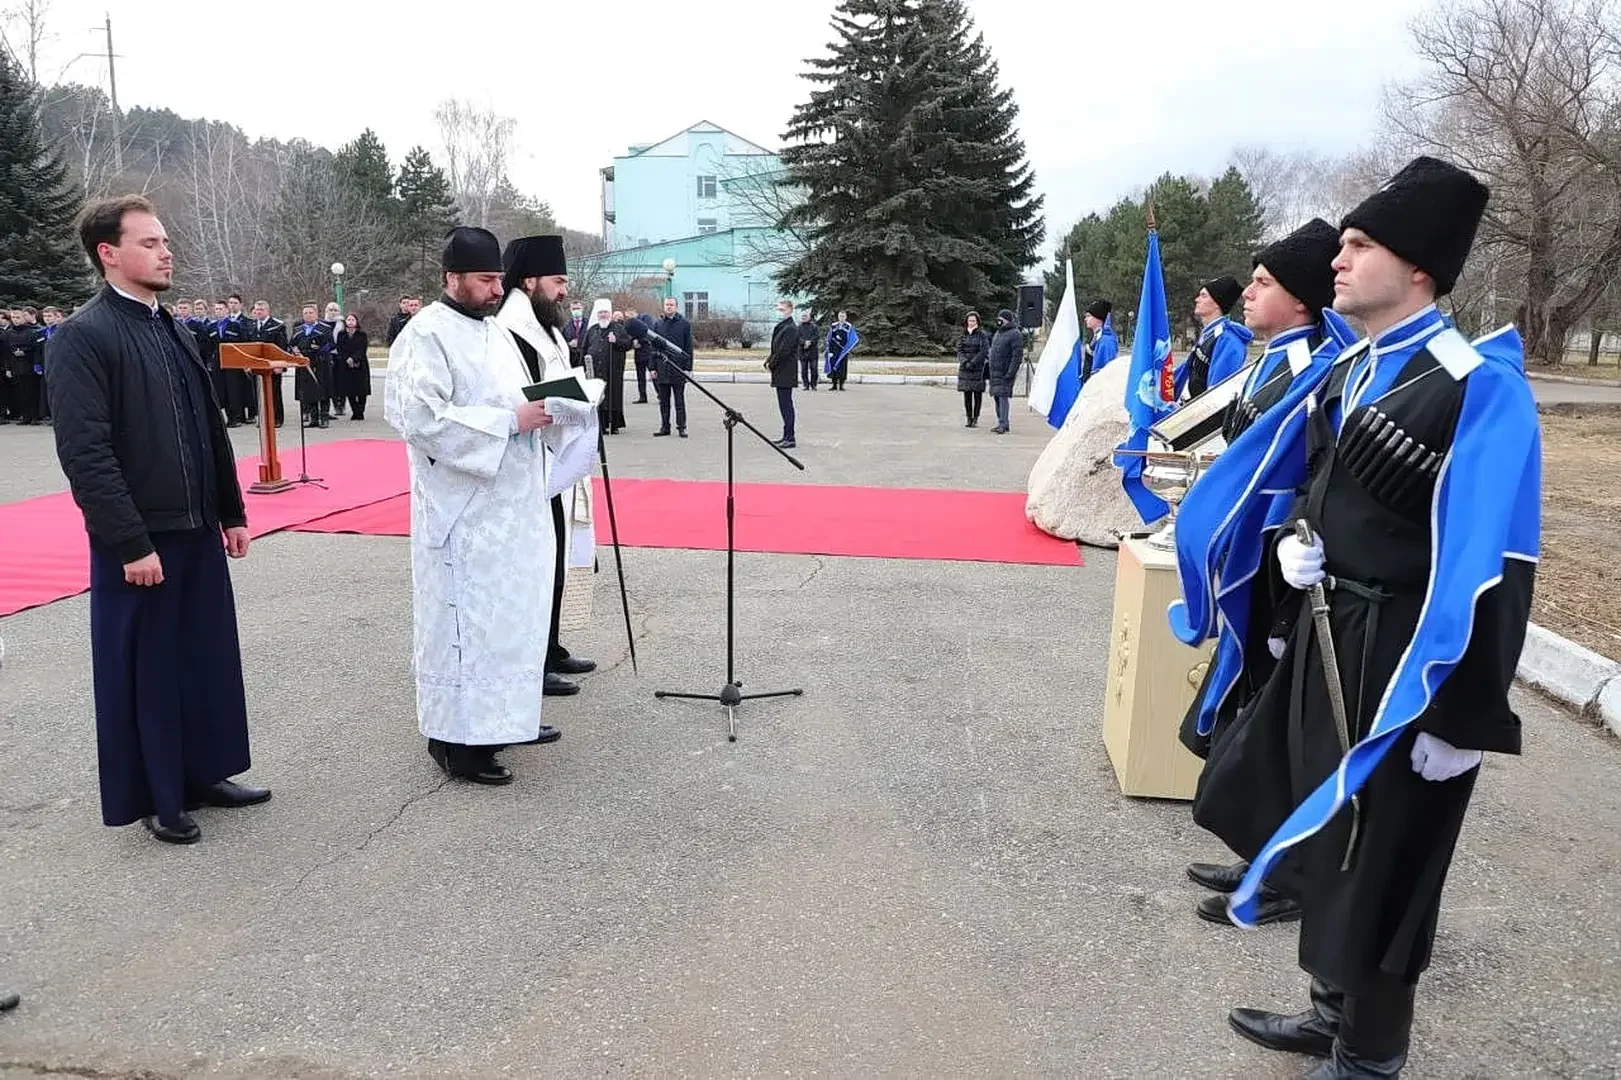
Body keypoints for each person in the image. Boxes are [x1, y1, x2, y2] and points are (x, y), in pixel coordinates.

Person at [1196, 158, 1540, 1079]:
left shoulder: (1477, 385)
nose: (1336, 263)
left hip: (1408, 662)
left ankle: (1371, 1054)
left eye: (1358, 247)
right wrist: (1293, 550)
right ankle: (1329, 1010)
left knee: (1389, 863)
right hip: (1327, 631)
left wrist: (1464, 717)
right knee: (1334, 835)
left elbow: (1502, 566)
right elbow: (1322, 488)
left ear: (1418, 268)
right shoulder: (1354, 367)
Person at [47, 194, 271, 845]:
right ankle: (157, 795)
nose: (166, 251)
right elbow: (85, 454)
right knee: (145, 671)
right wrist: (129, 542)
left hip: (196, 526)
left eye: (165, 241)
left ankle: (205, 773)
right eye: (149, 243)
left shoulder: (171, 327)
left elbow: (208, 427)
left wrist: (229, 510)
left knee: (203, 661)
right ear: (108, 253)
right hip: (140, 543)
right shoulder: (83, 337)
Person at [1172, 218, 1350, 930]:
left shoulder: (1318, 368)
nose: (1246, 293)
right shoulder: (1273, 357)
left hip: (1286, 567)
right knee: (1253, 712)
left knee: (1281, 729)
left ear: (1302, 301)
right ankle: (1262, 854)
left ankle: (1284, 873)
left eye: (1265, 283)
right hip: (1255, 561)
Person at [384, 226, 561, 785]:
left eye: (496, 280)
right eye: (484, 280)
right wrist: (510, 421)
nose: (493, 290)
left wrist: (552, 406)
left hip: (512, 510)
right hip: (463, 516)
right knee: (468, 631)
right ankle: (456, 743)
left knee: (512, 623)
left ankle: (506, 719)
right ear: (451, 278)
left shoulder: (497, 333)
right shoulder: (425, 335)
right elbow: (420, 419)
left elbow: (512, 398)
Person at [494, 234, 601, 702]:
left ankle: (551, 647)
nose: (564, 291)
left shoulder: (546, 326)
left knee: (557, 555)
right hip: (528, 462)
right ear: (529, 280)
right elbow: (517, 393)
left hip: (555, 457)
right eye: (558, 281)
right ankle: (533, 661)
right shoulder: (510, 328)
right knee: (537, 563)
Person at [1178, 276, 1253, 401]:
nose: (1197, 300)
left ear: (1217, 304)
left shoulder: (1228, 340)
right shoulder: (1210, 335)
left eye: (1203, 296)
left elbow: (1217, 394)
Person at [652, 295, 693, 437]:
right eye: (667, 304)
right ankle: (665, 427)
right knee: (663, 401)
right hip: (662, 368)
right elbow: (653, 346)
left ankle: (681, 427)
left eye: (671, 305)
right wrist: (652, 368)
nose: (669, 307)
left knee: (679, 401)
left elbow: (689, 347)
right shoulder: (658, 324)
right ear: (664, 306)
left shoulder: (684, 324)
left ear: (676, 307)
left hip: (678, 368)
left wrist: (688, 368)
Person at [290, 303, 336, 428]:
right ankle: (313, 418)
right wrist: (295, 351)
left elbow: (331, 344)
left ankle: (324, 417)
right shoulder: (298, 330)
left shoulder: (325, 328)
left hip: (321, 362)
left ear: (316, 314)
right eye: (305, 313)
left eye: (311, 313)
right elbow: (292, 344)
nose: (308, 315)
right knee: (309, 391)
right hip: (305, 363)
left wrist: (321, 349)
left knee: (323, 390)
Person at [247, 299, 289, 427]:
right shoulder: (252, 325)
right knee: (259, 393)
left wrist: (280, 364)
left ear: (267, 310)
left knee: (274, 393)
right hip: (257, 365)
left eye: (261, 310)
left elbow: (282, 347)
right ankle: (263, 418)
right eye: (257, 310)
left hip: (273, 365)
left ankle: (277, 418)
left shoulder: (277, 325)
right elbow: (249, 346)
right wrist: (248, 363)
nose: (259, 312)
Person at [767, 298, 799, 448]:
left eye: (782, 309)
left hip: (786, 371)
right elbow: (775, 348)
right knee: (784, 404)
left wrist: (772, 363)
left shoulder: (791, 328)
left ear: (790, 310)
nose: (779, 312)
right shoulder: (783, 326)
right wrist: (768, 360)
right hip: (781, 370)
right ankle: (786, 435)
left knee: (786, 405)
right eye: (778, 309)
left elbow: (783, 351)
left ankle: (790, 437)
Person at [986, 309, 1022, 434]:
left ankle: (1003, 423)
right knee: (997, 397)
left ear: (1006, 320)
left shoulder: (1015, 334)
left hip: (1005, 372)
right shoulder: (998, 333)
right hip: (994, 372)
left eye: (1001, 318)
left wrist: (1011, 372)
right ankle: (1001, 422)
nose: (998, 320)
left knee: (1003, 397)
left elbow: (1016, 356)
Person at [955, 311, 989, 427]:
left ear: (977, 322)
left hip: (977, 368)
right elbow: (959, 350)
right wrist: (965, 361)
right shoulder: (963, 334)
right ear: (966, 322)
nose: (971, 323)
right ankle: (969, 418)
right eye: (970, 320)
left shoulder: (982, 335)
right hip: (965, 368)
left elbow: (984, 350)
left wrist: (973, 362)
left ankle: (976, 418)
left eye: (974, 320)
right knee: (967, 395)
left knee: (977, 394)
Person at [600, 307, 630, 433]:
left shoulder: (619, 329)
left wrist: (616, 341)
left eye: (605, 312)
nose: (603, 315)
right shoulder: (594, 329)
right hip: (599, 370)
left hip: (615, 369)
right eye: (601, 312)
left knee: (614, 396)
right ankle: (602, 424)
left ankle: (615, 424)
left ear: (610, 315)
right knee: (601, 397)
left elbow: (627, 344)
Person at [336, 313, 370, 420]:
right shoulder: (341, 334)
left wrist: (354, 358)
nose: (350, 322)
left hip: (360, 364)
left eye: (353, 320)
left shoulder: (362, 334)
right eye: (348, 320)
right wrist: (347, 359)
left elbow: (363, 349)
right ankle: (355, 410)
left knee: (361, 390)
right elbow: (340, 348)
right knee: (349, 389)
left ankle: (360, 411)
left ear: (356, 322)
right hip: (346, 365)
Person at [1080, 300, 1118, 386]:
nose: (1085, 319)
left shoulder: (1106, 341)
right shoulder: (1097, 337)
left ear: (1098, 318)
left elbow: (1104, 372)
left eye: (1089, 316)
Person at [626, 304, 652, 403]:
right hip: (638, 353)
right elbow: (628, 336)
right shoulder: (629, 325)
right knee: (640, 376)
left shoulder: (645, 319)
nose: (629, 318)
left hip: (648, 352)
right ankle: (642, 396)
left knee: (653, 374)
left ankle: (660, 395)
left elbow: (648, 333)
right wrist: (632, 342)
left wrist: (639, 341)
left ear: (635, 313)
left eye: (630, 315)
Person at [825, 311, 855, 390]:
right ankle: (834, 385)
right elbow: (829, 337)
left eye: (843, 316)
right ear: (838, 317)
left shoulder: (849, 326)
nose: (841, 317)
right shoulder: (833, 325)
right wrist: (829, 348)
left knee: (842, 368)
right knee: (833, 367)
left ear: (846, 317)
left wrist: (848, 348)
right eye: (840, 316)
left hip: (843, 351)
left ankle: (841, 385)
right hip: (834, 350)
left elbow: (853, 338)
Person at [797, 309, 820, 390]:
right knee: (804, 370)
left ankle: (814, 385)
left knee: (814, 369)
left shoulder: (814, 326)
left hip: (813, 351)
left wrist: (810, 342)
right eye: (802, 316)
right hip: (802, 351)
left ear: (809, 317)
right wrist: (804, 343)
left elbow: (816, 336)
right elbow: (797, 338)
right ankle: (806, 385)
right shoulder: (798, 327)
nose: (804, 317)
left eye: (805, 316)